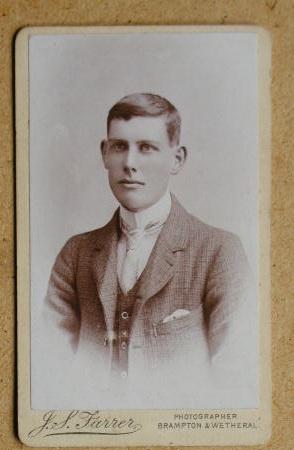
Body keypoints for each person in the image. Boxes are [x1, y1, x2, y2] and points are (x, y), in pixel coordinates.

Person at [45, 93, 257, 408]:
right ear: (104, 154)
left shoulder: (219, 252)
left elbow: (237, 384)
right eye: (119, 146)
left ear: (177, 159)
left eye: (146, 148)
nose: (130, 163)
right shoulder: (76, 254)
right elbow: (48, 368)